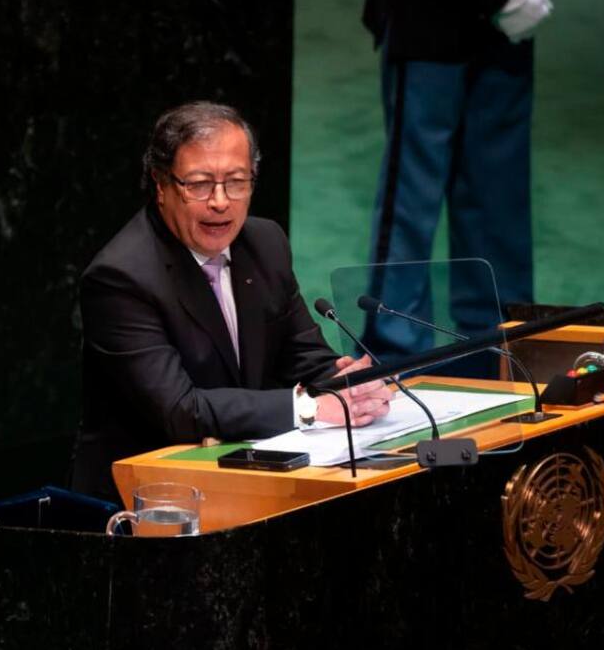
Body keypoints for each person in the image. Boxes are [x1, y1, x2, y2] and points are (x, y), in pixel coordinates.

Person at [71, 102, 392, 500]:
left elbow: (305, 358)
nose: (221, 201)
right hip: (147, 499)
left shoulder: (265, 243)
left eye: (236, 182)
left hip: (247, 475)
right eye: (200, 184)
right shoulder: (121, 278)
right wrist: (309, 408)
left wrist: (352, 385)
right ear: (161, 185)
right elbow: (179, 411)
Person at [360, 0, 560, 363]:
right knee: (413, 200)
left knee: (498, 201)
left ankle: (500, 351)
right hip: (427, 8)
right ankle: (395, 362)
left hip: (509, 18)